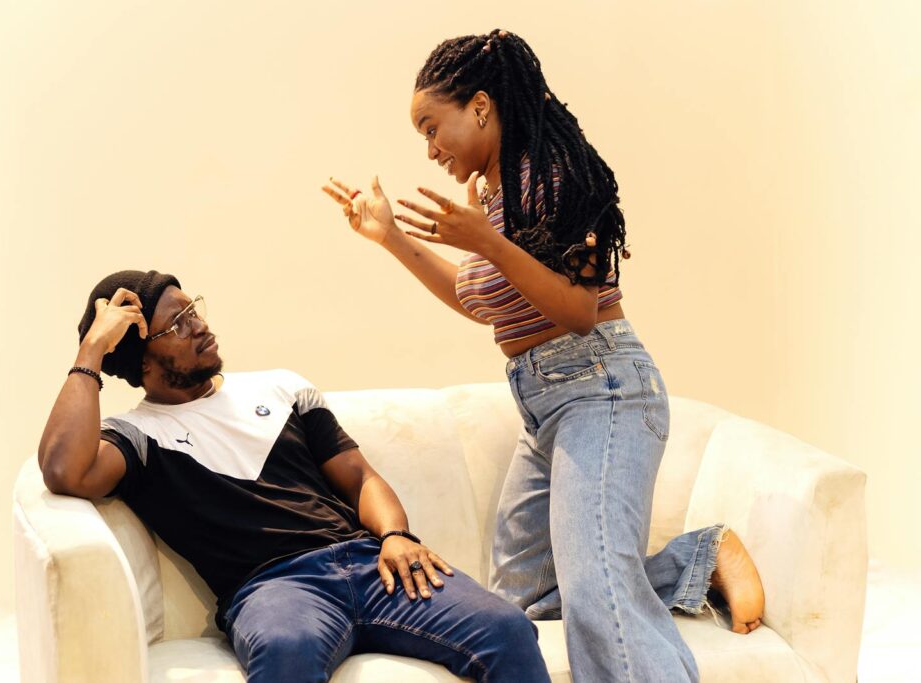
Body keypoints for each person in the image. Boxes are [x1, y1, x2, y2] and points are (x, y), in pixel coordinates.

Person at [323, 29, 765, 683]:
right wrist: (390, 237)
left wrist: (487, 241)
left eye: (431, 126)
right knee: (523, 597)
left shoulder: (560, 176)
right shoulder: (493, 197)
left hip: (602, 388)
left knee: (599, 592)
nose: (429, 148)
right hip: (546, 404)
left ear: (479, 107)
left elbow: (578, 308)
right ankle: (696, 559)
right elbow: (481, 301)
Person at [37, 269, 552, 683]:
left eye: (193, 308)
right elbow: (64, 469)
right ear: (139, 359)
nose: (199, 325)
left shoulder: (281, 389)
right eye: (177, 325)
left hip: (373, 563)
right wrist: (91, 353)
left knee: (506, 629)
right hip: (273, 589)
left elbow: (359, 479)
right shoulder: (138, 437)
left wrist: (396, 535)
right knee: (287, 653)